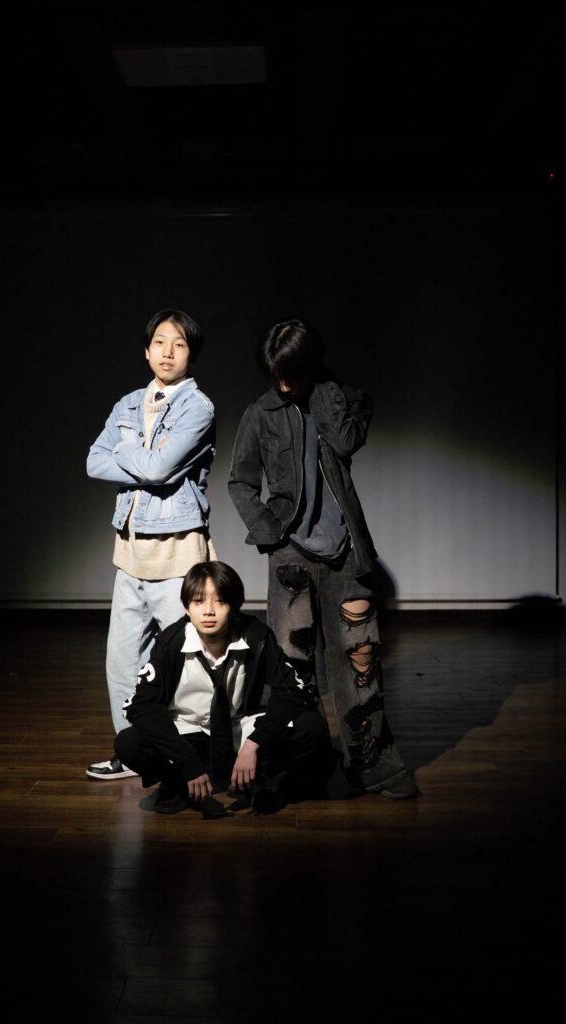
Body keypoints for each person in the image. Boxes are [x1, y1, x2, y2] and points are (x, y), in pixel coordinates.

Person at [228, 317, 418, 798]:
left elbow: (347, 441)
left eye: (292, 374)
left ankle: (370, 763)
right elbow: (240, 482)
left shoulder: (343, 400)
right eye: (276, 375)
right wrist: (271, 536)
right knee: (293, 666)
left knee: (360, 659)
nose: (283, 385)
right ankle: (305, 764)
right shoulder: (260, 413)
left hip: (347, 553)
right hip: (290, 555)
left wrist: (324, 391)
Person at [86, 309, 216, 780]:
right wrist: (142, 458)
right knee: (123, 664)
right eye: (159, 342)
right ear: (146, 350)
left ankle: (193, 754)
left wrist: (125, 451)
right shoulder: (127, 404)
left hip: (177, 554)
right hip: (130, 553)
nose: (167, 352)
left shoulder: (197, 408)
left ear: (191, 354)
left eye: (179, 344)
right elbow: (93, 462)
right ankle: (133, 753)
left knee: (189, 666)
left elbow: (159, 470)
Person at [115, 561, 333, 816]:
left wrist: (254, 743)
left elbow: (292, 691)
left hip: (237, 729)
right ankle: (179, 784)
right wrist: (186, 760)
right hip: (187, 731)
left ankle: (264, 782)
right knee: (129, 743)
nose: (208, 611)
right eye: (198, 602)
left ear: (235, 606)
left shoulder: (257, 635)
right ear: (186, 607)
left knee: (312, 726)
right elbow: (141, 707)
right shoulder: (170, 642)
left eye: (219, 601)